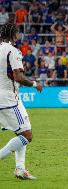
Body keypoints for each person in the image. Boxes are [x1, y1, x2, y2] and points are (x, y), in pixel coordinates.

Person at [0, 23, 42, 179]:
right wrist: (34, 84)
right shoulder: (12, 50)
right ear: (13, 34)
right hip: (8, 99)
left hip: (6, 97)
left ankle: (20, 168)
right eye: (17, 33)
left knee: (22, 130)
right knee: (26, 136)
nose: (18, 35)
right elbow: (18, 76)